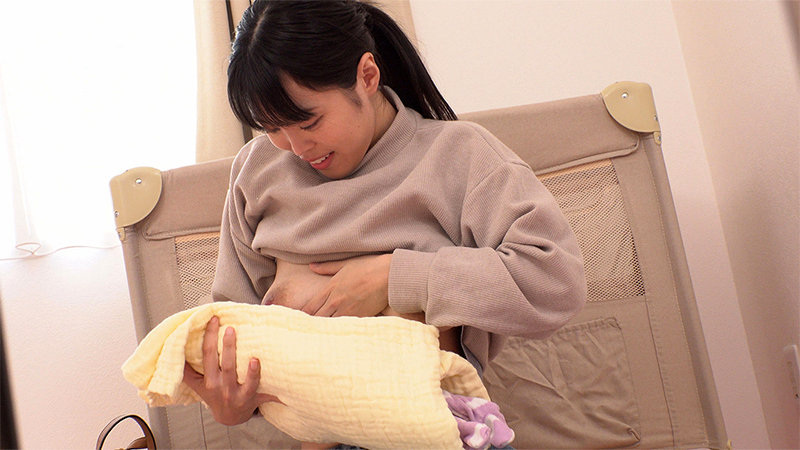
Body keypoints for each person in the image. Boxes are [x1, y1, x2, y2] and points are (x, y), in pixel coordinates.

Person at [181, 0, 587, 442]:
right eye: (272, 128)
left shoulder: (458, 155)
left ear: (367, 76)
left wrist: (393, 277)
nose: (296, 148)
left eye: (308, 122)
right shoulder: (256, 171)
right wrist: (233, 401)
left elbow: (555, 280)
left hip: (434, 434)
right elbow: (232, 328)